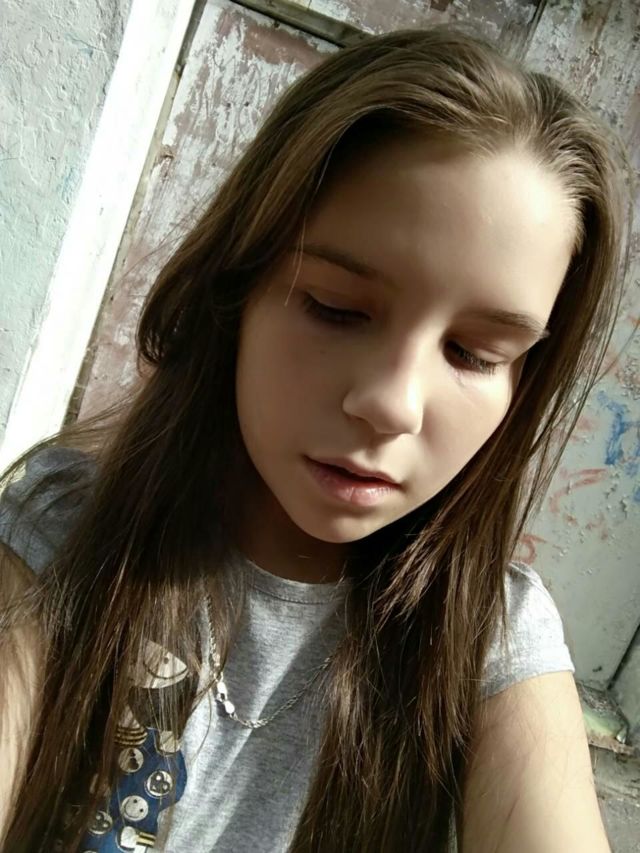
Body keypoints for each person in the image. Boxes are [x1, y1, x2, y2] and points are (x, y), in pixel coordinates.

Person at [0, 24, 630, 853]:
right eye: (336, 308)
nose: (392, 404)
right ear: (238, 286)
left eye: (474, 353)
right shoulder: (69, 530)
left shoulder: (488, 638)